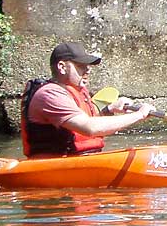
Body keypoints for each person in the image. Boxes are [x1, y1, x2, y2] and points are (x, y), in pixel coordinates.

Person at [21, 42, 155, 157]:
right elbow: (89, 127)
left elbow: (86, 120)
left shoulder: (77, 91)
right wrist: (139, 115)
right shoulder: (50, 94)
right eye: (80, 66)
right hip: (56, 165)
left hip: (81, 160)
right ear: (62, 67)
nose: (87, 70)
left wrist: (110, 109)